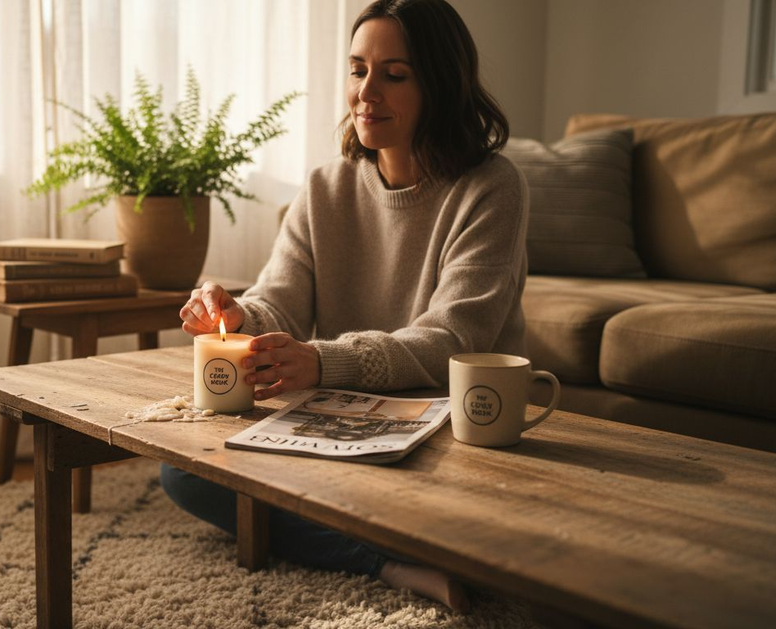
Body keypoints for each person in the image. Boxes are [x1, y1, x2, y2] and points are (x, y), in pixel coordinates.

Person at [164, 0, 527, 612]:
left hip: (448, 426)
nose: (366, 92)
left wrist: (323, 363)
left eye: (395, 74)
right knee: (183, 474)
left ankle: (379, 536)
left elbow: (454, 337)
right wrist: (238, 316)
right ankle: (385, 561)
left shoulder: (491, 187)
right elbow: (278, 301)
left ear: (440, 84)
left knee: (473, 515)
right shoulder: (325, 188)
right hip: (342, 425)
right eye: (358, 69)